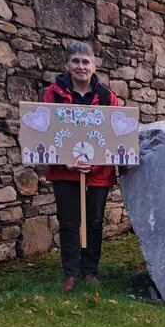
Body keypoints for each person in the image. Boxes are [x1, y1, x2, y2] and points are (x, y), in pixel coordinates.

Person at [44, 42, 119, 293]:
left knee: (95, 222)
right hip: (65, 172)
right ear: (67, 65)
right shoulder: (54, 94)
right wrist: (64, 159)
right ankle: (71, 273)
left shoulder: (107, 97)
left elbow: (115, 135)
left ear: (93, 66)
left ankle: (90, 271)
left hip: (99, 173)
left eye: (85, 62)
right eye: (75, 61)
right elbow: (46, 132)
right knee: (69, 222)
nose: (80, 66)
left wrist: (97, 163)